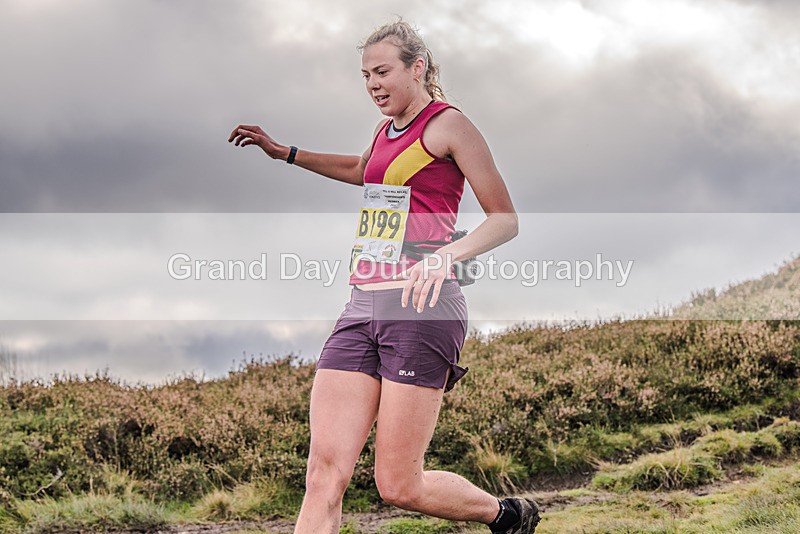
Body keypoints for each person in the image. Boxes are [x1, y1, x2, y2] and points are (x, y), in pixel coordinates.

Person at [228, 18, 539, 534]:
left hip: (421, 308)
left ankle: (504, 515)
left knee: (398, 485)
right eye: (365, 75)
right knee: (324, 476)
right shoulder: (383, 130)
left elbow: (505, 218)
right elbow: (362, 169)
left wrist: (447, 256)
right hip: (361, 305)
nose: (372, 84)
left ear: (417, 68)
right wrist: (284, 152)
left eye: (382, 71)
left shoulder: (449, 125)